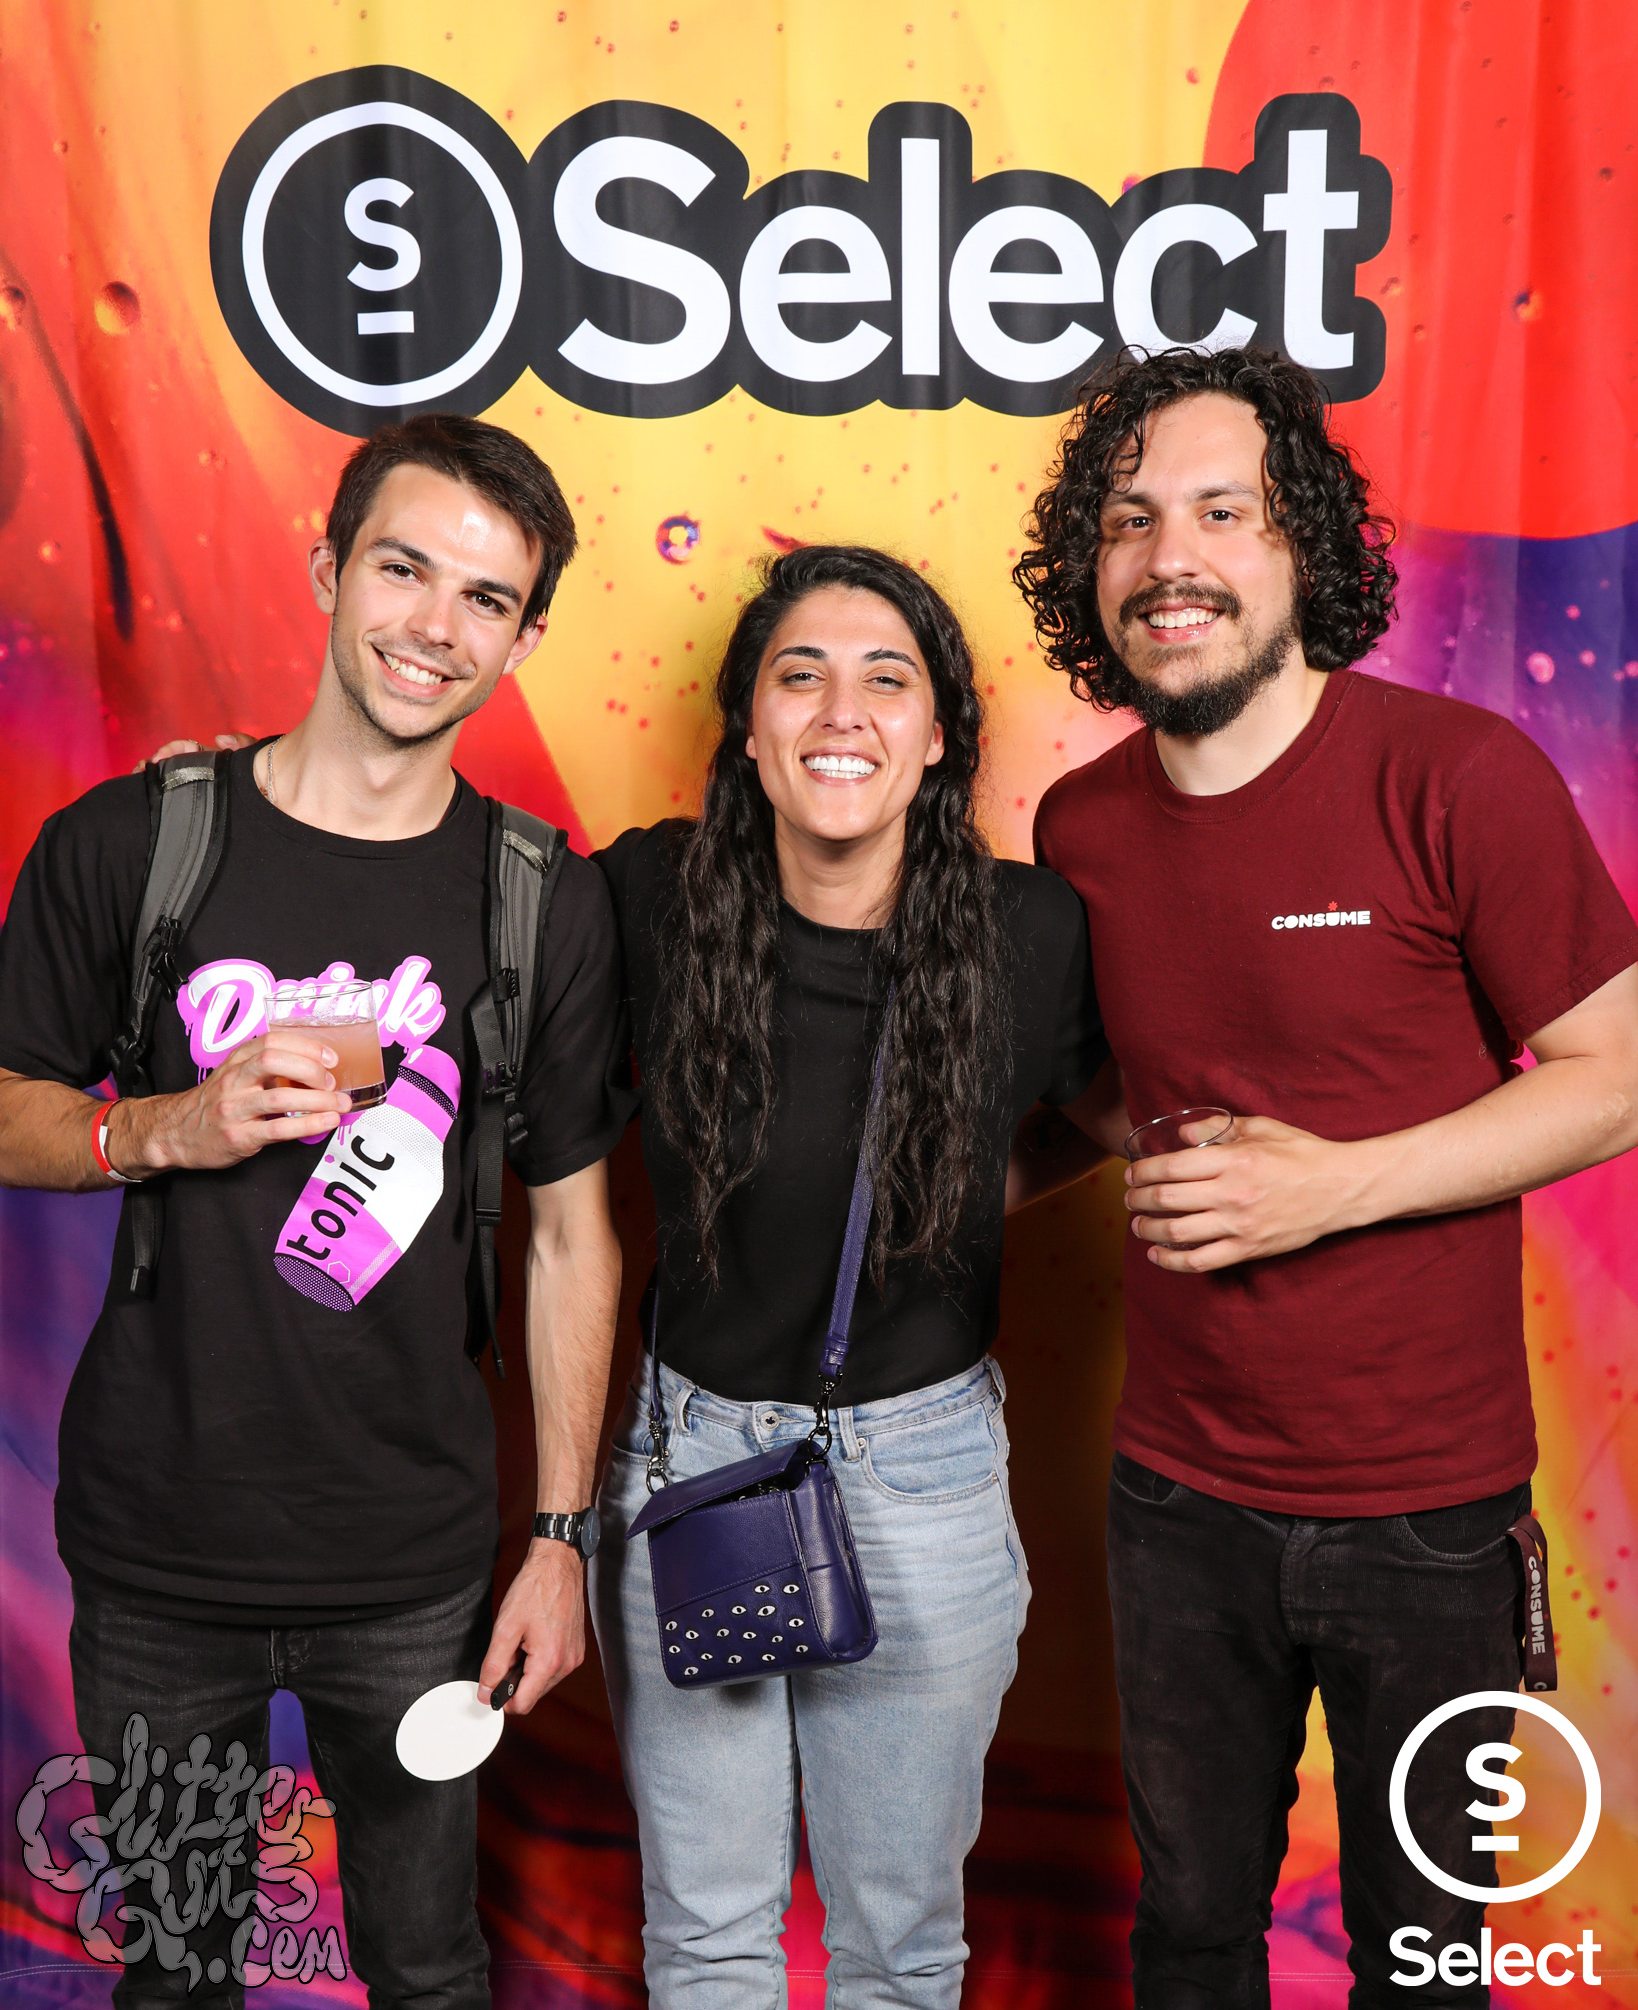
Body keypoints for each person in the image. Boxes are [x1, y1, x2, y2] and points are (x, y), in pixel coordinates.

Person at [1009, 345, 1638, 2007]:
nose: (1171, 558)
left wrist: (1331, 1187)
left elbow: (1616, 1075)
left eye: (1223, 511)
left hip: (1427, 1517)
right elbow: (1110, 1099)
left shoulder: (1457, 777)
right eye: (1130, 520)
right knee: (1189, 1937)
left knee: (1422, 1960)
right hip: (1173, 1499)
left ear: (1302, 547)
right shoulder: (1079, 829)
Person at [0, 415, 630, 2010]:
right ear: (327, 570)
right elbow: (5, 1110)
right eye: (403, 569)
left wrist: (559, 1541)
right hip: (163, 1551)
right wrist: (168, 1125)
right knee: (181, 1974)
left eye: (485, 598)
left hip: (411, 1566)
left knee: (427, 1972)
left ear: (524, 639)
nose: (435, 625)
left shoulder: (540, 901)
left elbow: (572, 1235)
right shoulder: (136, 844)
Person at [590, 544, 1109, 2009]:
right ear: (748, 729)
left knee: (899, 1945)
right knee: (707, 1937)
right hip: (691, 1459)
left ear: (937, 735)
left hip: (921, 1473)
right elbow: (446, 938)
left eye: (888, 679)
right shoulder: (646, 894)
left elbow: (1119, 1111)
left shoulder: (1030, 931)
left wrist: (951, 1201)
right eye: (799, 675)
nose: (841, 711)